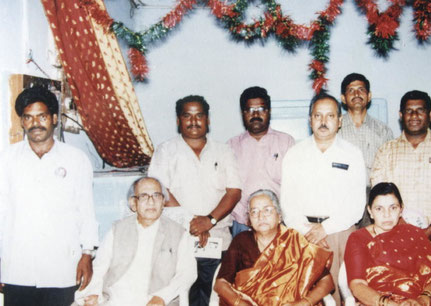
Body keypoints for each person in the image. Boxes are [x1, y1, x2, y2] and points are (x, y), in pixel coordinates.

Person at [0, 86, 98, 305]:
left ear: (54, 118)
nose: (35, 123)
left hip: (62, 267)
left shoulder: (75, 159)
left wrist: (87, 254)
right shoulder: (7, 159)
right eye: (28, 118)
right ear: (22, 122)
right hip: (18, 267)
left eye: (42, 116)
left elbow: (86, 210)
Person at [148, 95, 241, 306]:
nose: (193, 121)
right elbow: (160, 191)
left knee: (215, 299)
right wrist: (193, 222)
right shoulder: (165, 151)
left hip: (218, 241)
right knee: (181, 298)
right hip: (178, 240)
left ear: (208, 120)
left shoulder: (224, 150)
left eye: (199, 115)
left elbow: (234, 191)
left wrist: (210, 221)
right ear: (178, 121)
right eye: (187, 116)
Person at [281, 92, 366, 304]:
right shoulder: (294, 153)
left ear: (340, 121)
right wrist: (306, 230)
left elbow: (357, 204)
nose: (323, 121)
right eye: (318, 116)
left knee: (340, 293)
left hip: (340, 234)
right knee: (303, 295)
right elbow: (287, 201)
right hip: (302, 234)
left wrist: (325, 229)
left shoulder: (352, 154)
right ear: (310, 119)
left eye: (330, 116)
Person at [371, 90, 431, 271]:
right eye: (409, 111)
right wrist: (404, 230)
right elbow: (379, 193)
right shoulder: (386, 151)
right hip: (395, 236)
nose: (414, 115)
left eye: (420, 110)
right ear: (401, 115)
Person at [74, 177, 197, 306]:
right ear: (133, 203)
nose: (151, 202)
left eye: (156, 196)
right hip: (114, 300)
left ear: (163, 202)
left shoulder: (179, 233)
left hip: (155, 301)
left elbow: (187, 273)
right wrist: (94, 293)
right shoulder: (117, 230)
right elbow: (99, 267)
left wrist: (163, 297)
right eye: (144, 196)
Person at [214, 189, 334, 306]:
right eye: (254, 211)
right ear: (249, 219)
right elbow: (221, 283)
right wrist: (240, 303)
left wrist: (304, 302)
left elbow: (327, 281)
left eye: (267, 210)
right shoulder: (241, 241)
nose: (261, 216)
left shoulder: (294, 241)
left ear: (279, 216)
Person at [345, 182, 431, 306]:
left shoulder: (414, 234)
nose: (387, 214)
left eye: (393, 208)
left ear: (401, 209)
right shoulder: (358, 238)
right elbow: (357, 284)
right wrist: (388, 304)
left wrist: (423, 299)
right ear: (370, 211)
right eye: (379, 208)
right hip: (376, 302)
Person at [228, 86, 295, 236]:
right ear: (243, 113)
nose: (256, 114)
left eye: (261, 109)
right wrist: (248, 218)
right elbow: (228, 190)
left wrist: (280, 216)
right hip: (244, 226)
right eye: (250, 110)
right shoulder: (231, 146)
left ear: (269, 111)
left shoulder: (286, 142)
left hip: (280, 223)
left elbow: (294, 187)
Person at [338, 73, 393, 185]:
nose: (356, 94)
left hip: (374, 196)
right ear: (343, 98)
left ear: (369, 96)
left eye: (361, 89)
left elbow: (390, 168)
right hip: (342, 194)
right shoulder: (335, 128)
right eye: (351, 90)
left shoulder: (383, 130)